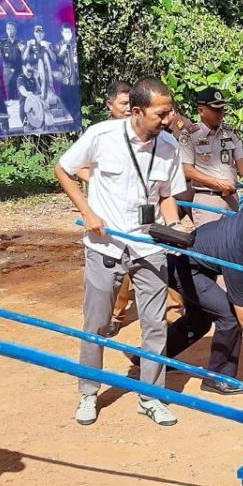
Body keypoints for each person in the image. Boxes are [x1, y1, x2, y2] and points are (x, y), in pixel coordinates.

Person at [55, 77, 187, 428]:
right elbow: (64, 169)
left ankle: (152, 396)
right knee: (96, 324)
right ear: (139, 111)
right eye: (162, 113)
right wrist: (87, 212)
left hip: (148, 246)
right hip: (105, 245)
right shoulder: (102, 136)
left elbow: (167, 196)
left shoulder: (170, 146)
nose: (169, 119)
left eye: (170, 111)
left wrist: (173, 226)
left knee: (155, 324)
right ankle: (88, 393)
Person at [166, 209, 243, 394]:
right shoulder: (237, 253)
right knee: (230, 317)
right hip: (184, 268)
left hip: (200, 263)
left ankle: (150, 358)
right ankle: (218, 378)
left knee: (199, 321)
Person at [178, 88, 243, 227]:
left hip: (232, 199)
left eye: (222, 108)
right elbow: (187, 170)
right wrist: (217, 184)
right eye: (215, 109)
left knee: (230, 244)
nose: (221, 113)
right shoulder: (189, 135)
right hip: (207, 200)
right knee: (208, 246)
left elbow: (241, 162)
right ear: (201, 111)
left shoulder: (230, 132)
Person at [0, 22, 24, 102]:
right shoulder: (2, 43)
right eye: (8, 29)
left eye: (12, 28)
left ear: (15, 30)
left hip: (19, 71)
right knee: (10, 96)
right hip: (8, 72)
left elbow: (25, 58)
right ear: (6, 30)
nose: (10, 31)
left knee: (21, 94)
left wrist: (23, 50)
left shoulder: (20, 42)